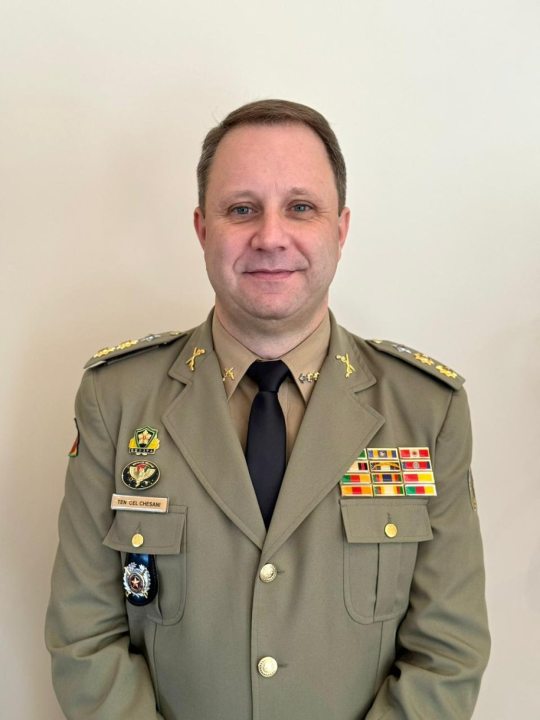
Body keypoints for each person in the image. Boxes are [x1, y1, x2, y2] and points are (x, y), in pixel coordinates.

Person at [45, 99, 490, 720]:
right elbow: (85, 638)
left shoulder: (425, 411)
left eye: (301, 207)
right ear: (203, 230)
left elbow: (447, 652)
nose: (271, 236)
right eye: (242, 209)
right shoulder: (117, 400)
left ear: (341, 229)